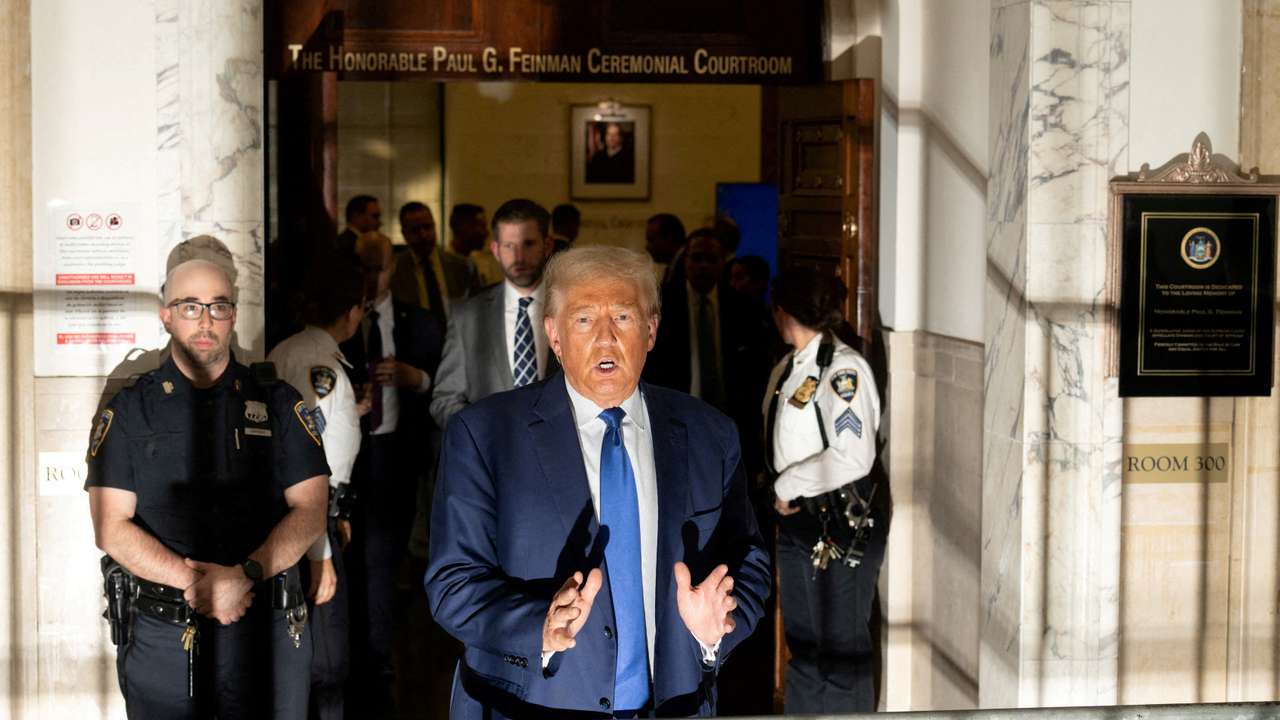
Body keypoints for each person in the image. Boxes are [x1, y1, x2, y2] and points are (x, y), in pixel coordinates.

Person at [426, 246, 771, 718]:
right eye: (585, 320)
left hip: (676, 705)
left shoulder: (710, 432)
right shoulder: (484, 434)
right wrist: (539, 625)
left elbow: (749, 559)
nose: (605, 339)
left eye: (624, 318)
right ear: (554, 334)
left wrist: (720, 626)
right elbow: (451, 584)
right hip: (530, 705)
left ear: (651, 330)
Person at [87, 258, 330, 718]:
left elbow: (311, 510)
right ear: (166, 315)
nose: (205, 321)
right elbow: (110, 528)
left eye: (218, 307)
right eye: (190, 306)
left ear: (233, 315)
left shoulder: (277, 403)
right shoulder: (130, 410)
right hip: (165, 633)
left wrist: (246, 576)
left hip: (267, 629)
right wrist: (199, 585)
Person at [765, 267, 886, 713]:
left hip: (838, 522)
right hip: (800, 521)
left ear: (783, 311)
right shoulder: (794, 364)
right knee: (806, 645)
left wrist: (787, 483)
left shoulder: (842, 369)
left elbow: (854, 456)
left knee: (840, 651)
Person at [340, 230, 444, 713]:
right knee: (348, 564)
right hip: (349, 463)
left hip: (399, 463)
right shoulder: (339, 323)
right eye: (361, 267)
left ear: (393, 269)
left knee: (386, 566)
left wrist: (412, 377)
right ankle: (352, 660)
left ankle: (381, 665)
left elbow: (442, 382)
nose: (369, 278)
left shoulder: (418, 321)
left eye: (376, 268)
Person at [267, 260, 371, 720]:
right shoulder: (322, 368)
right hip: (311, 522)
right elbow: (311, 461)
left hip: (296, 516)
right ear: (353, 311)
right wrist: (320, 551)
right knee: (328, 659)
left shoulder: (285, 350)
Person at [643, 228, 775, 479]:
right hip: (675, 421)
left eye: (711, 259)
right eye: (696, 258)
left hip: (731, 422)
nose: (702, 266)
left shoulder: (745, 308)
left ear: (723, 262)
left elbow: (756, 372)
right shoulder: (661, 306)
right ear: (686, 261)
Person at [429, 198, 561, 430]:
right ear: (495, 250)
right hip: (491, 460)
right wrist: (483, 437)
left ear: (547, 245)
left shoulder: (571, 309)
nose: (519, 257)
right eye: (509, 246)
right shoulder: (467, 316)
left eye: (528, 244)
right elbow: (445, 399)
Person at [391, 201, 472, 325]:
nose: (423, 235)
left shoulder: (460, 266)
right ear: (404, 234)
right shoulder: (395, 270)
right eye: (415, 230)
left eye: (428, 227)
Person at [447, 203, 503, 290]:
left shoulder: (479, 263)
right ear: (460, 227)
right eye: (481, 226)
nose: (486, 233)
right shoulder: (444, 267)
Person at [645, 213, 686, 286]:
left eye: (651, 240)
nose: (647, 247)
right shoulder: (673, 268)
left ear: (669, 237)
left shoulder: (687, 268)